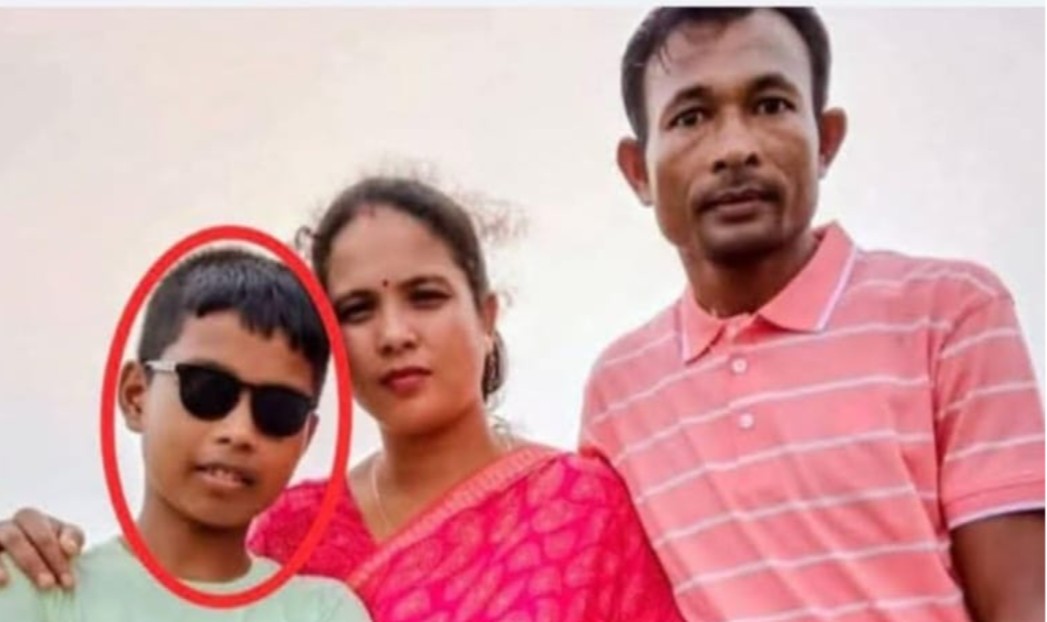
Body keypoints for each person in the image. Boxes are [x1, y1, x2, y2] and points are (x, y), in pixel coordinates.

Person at [0, 177, 686, 621]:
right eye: (356, 310)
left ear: (485, 317)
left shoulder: (583, 509)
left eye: (425, 297)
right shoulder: (289, 529)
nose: (394, 334)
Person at [580, 6, 1044, 622]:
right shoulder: (620, 393)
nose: (735, 148)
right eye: (691, 117)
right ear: (638, 171)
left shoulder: (950, 314)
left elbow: (1023, 605)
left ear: (825, 140)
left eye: (770, 105)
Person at [0, 248, 371, 621]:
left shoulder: (322, 611)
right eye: (206, 389)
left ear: (305, 437)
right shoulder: (41, 589)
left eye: (279, 409)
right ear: (136, 396)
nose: (239, 431)